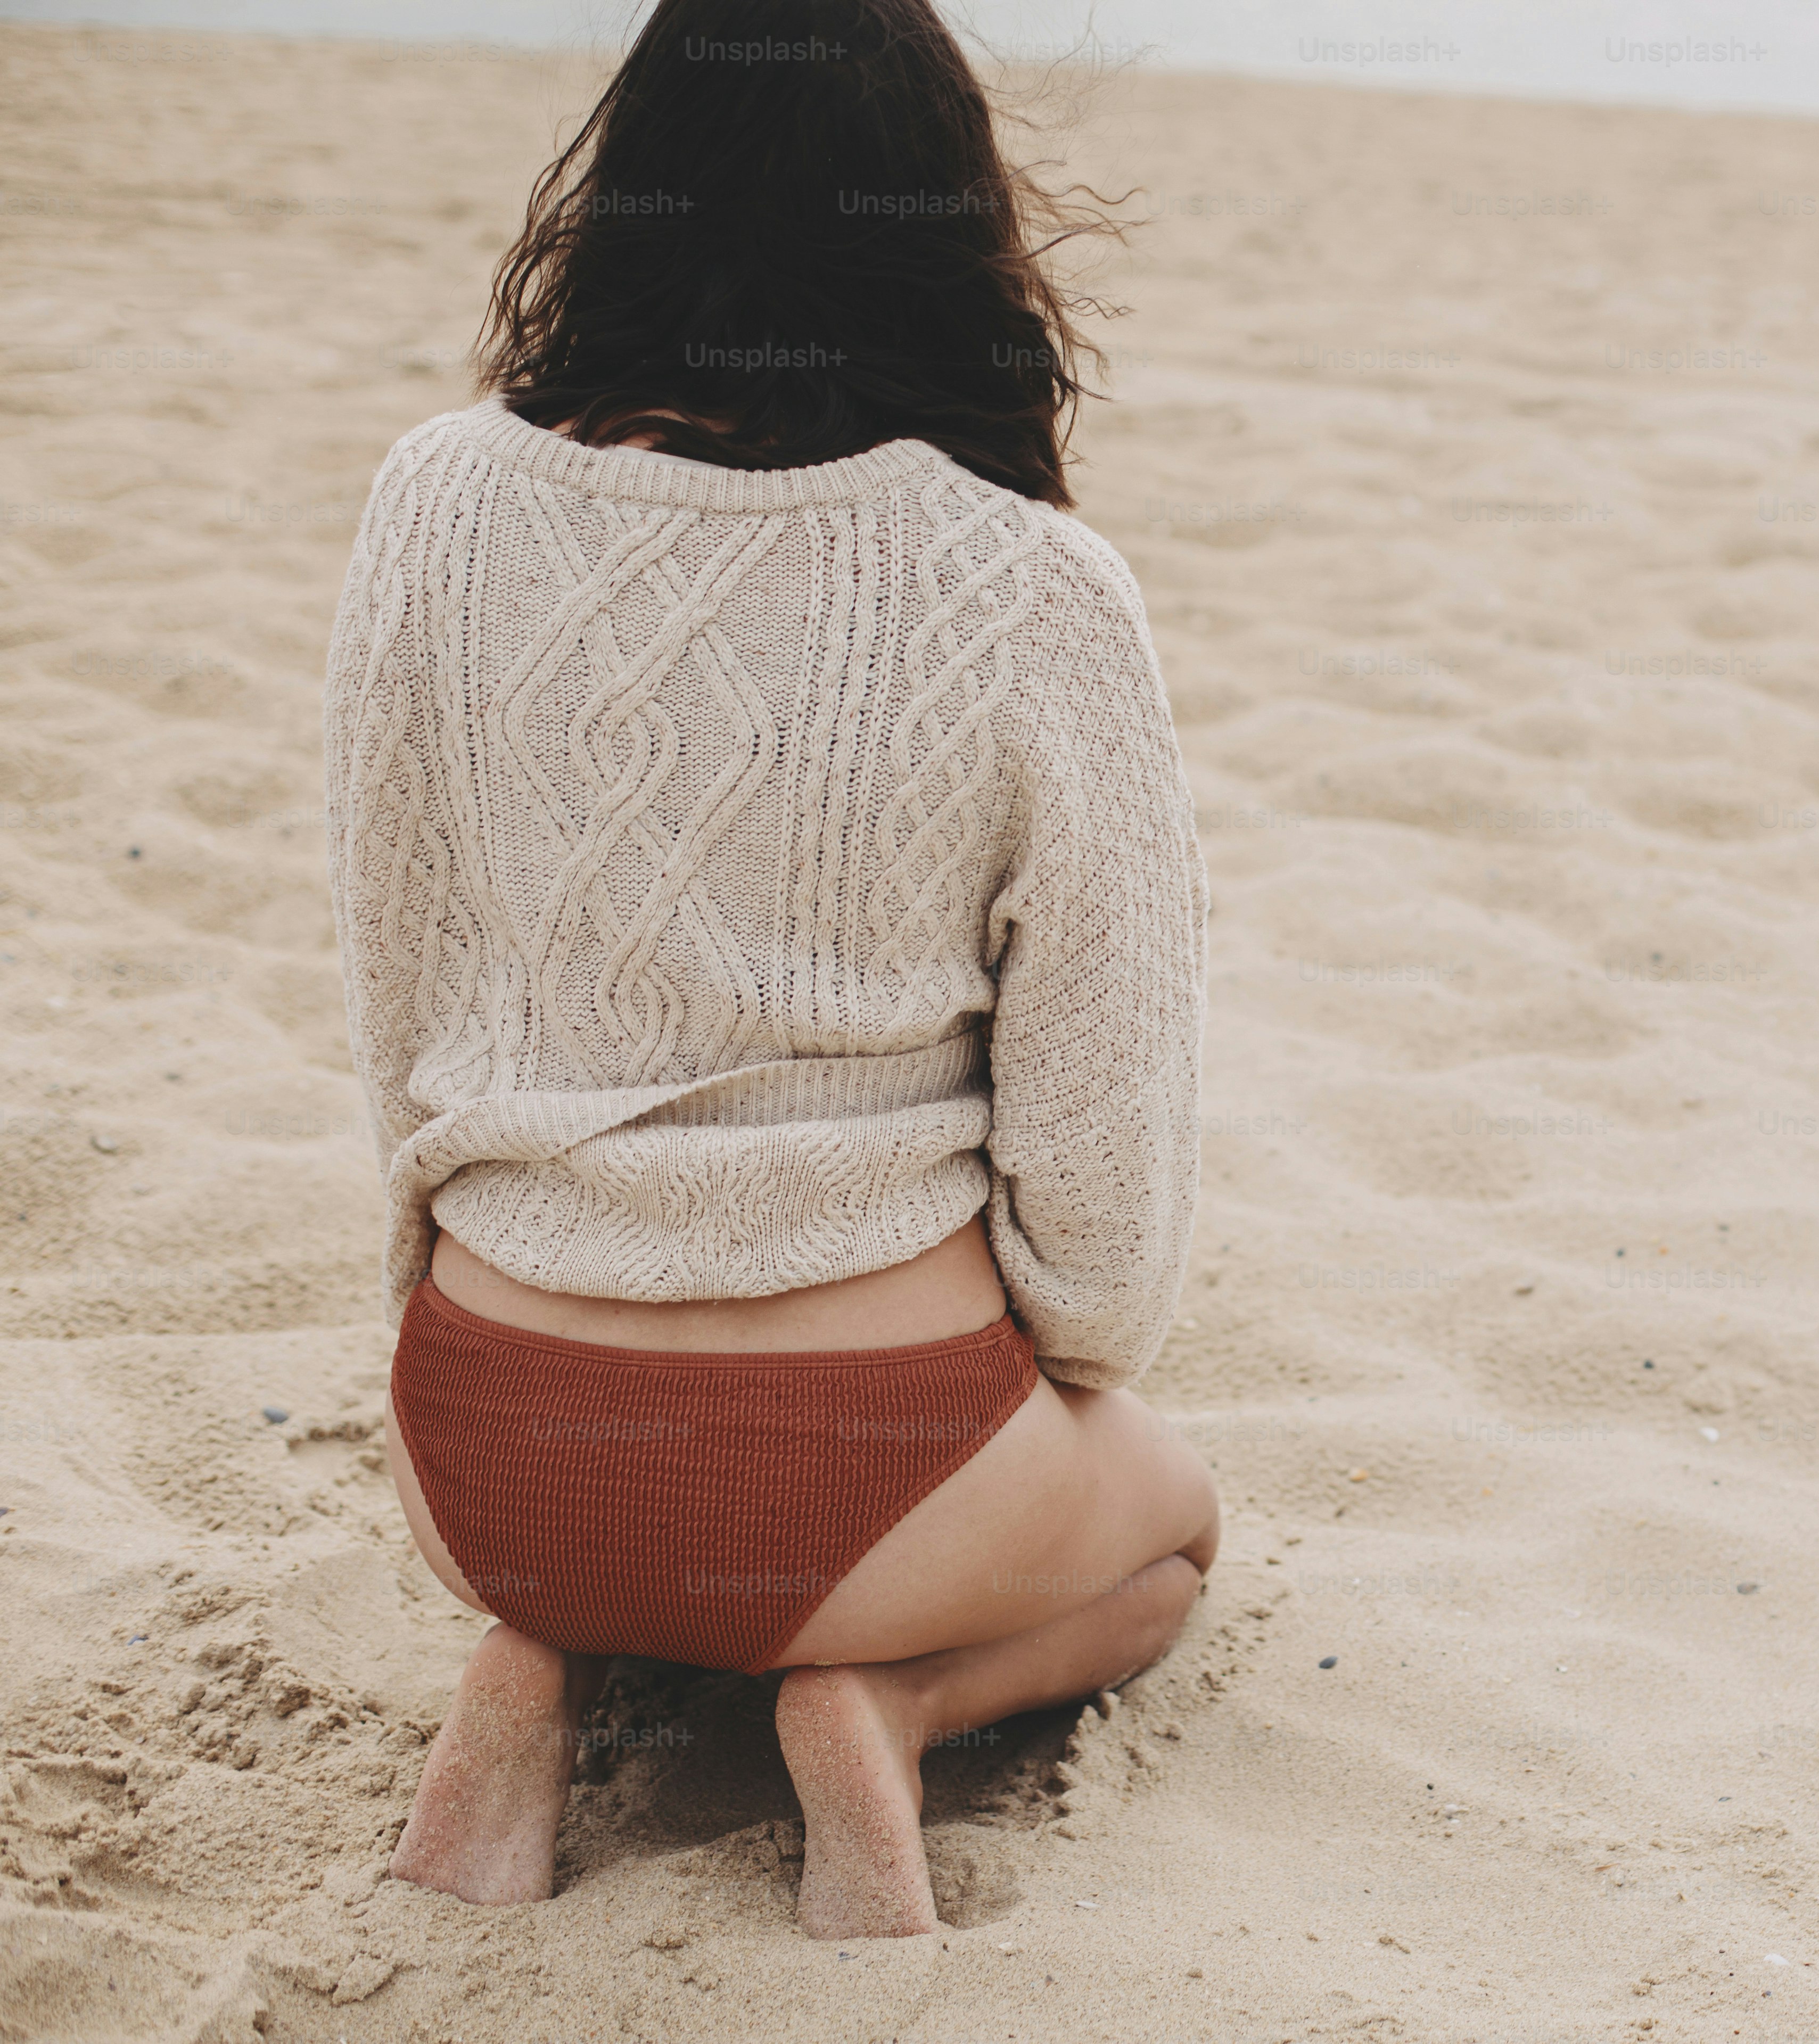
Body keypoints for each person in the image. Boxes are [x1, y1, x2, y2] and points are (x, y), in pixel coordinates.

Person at [320, 0, 1215, 1940]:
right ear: (949, 230)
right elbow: (1103, 1167)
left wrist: (459, 1296)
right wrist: (1061, 1378)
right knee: (1171, 1532)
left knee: (617, 1548)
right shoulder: (1034, 588)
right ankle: (882, 1696)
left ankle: (547, 1663)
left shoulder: (432, 501)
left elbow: (398, 993)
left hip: (484, 1452)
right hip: (881, 1453)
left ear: (625, 196)